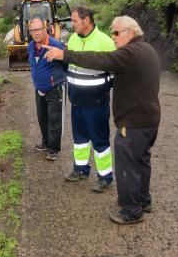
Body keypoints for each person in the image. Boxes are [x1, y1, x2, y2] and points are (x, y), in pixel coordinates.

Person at [44, 15, 161, 225]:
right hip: (149, 119)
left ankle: (132, 211)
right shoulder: (148, 50)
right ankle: (143, 201)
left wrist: (65, 55)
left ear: (130, 33)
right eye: (112, 33)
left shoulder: (130, 53)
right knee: (142, 161)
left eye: (116, 33)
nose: (113, 37)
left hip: (133, 122)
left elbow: (100, 60)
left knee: (128, 165)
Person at [63, 6, 116, 193]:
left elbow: (114, 74)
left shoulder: (105, 42)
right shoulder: (72, 39)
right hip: (76, 101)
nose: (72, 24)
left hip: (96, 104)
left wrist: (100, 91)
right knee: (80, 140)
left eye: (75, 20)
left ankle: (105, 177)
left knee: (100, 141)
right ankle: (80, 170)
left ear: (86, 20)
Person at [27, 17, 67, 161]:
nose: (36, 33)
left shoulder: (55, 45)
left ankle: (54, 148)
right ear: (30, 32)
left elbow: (66, 62)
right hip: (39, 88)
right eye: (33, 30)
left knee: (54, 119)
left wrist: (56, 78)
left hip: (54, 88)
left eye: (39, 29)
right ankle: (45, 142)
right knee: (42, 117)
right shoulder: (31, 46)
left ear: (45, 29)